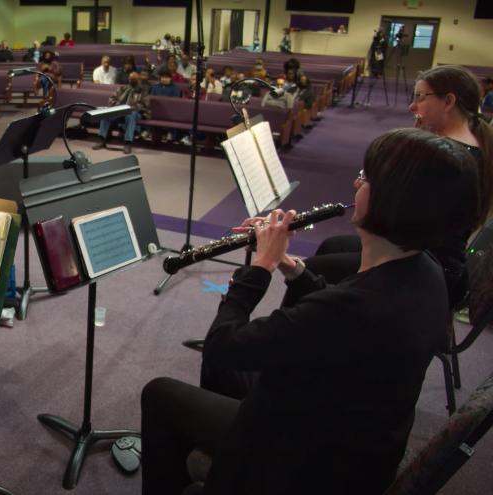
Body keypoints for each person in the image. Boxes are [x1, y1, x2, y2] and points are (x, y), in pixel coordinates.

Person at [142, 128, 481, 495]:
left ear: (392, 200)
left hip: (308, 460)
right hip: (350, 432)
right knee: (230, 367)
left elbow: (222, 342)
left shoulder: (355, 307)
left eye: (366, 177)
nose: (355, 182)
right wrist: (292, 267)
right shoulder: (424, 270)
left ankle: (243, 469)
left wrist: (260, 267)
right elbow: (338, 321)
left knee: (160, 393)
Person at [303, 65, 493, 307]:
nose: (412, 107)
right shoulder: (466, 143)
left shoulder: (446, 157)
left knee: (311, 269)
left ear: (448, 102)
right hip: (422, 253)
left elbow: (401, 222)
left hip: (428, 266)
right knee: (333, 245)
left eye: (420, 97)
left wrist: (374, 191)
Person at [92, 72, 150, 155]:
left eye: (134, 79)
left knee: (131, 115)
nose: (131, 81)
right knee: (106, 114)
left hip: (135, 112)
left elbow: (144, 104)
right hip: (120, 110)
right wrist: (117, 106)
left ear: (138, 80)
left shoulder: (143, 90)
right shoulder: (122, 88)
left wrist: (130, 108)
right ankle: (101, 140)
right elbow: (112, 99)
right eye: (130, 79)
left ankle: (128, 143)